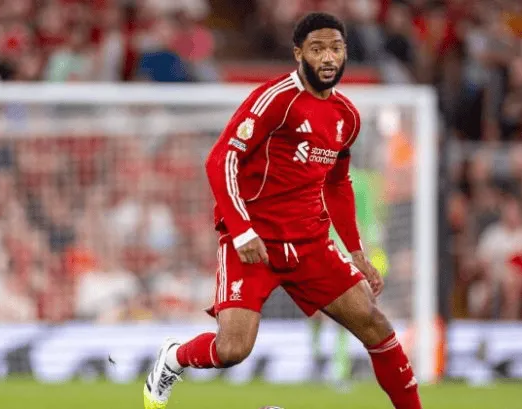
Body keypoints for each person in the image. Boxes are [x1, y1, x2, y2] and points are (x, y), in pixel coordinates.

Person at [143, 12, 422, 409]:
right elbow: (221, 159)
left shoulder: (346, 116)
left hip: (310, 243)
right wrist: (242, 230)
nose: (328, 57)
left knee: (376, 326)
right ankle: (173, 358)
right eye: (317, 48)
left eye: (336, 48)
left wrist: (355, 251)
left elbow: (337, 184)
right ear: (298, 54)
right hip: (254, 243)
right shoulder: (276, 99)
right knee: (232, 348)